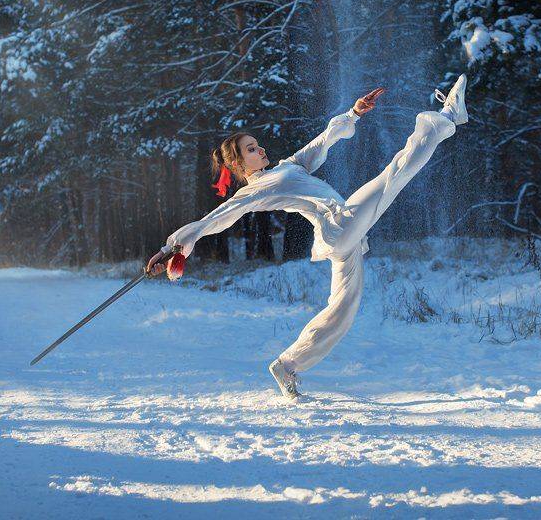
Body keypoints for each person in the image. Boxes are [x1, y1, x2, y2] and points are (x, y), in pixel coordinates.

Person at [147, 75, 470, 399]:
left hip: (342, 237)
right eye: (251, 149)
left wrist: (354, 114)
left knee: (343, 309)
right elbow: (216, 219)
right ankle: (445, 118)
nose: (260, 149)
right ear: (239, 164)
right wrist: (171, 248)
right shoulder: (256, 189)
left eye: (257, 144)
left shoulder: (287, 167)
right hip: (339, 225)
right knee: (394, 174)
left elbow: (321, 143)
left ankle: (287, 365)